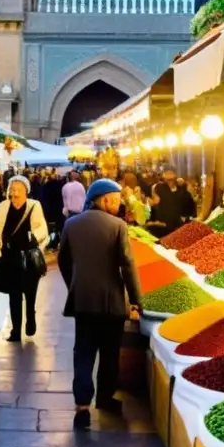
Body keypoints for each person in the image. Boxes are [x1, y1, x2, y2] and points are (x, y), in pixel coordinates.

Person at [59, 179, 142, 430]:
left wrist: (75, 284)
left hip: (83, 301)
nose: (118, 205)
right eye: (115, 200)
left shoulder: (71, 224)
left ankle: (82, 406)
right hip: (112, 301)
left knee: (83, 352)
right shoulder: (118, 226)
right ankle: (105, 399)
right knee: (109, 353)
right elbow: (127, 265)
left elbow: (64, 261)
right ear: (104, 199)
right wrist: (137, 299)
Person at [0, 175, 49, 341]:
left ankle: (30, 318)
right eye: (12, 190)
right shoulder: (3, 206)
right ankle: (16, 331)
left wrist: (34, 237)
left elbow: (42, 228)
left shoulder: (34, 206)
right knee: (14, 295)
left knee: (30, 294)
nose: (14, 194)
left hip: (29, 257)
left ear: (26, 191)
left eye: (18, 190)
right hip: (9, 257)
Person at [148, 166, 192, 237]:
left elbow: (187, 205)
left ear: (175, 175)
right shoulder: (159, 188)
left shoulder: (181, 190)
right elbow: (155, 202)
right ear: (164, 176)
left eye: (171, 173)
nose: (169, 177)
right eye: (167, 174)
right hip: (163, 225)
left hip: (177, 225)